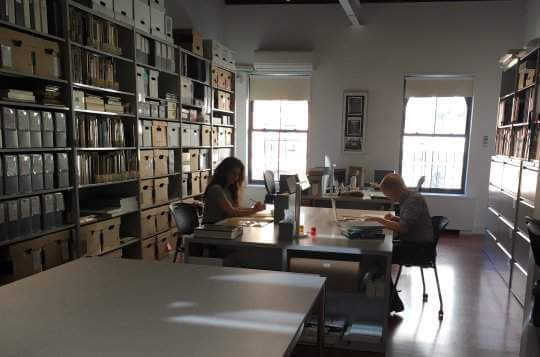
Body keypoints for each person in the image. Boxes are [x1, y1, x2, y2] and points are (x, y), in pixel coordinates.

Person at [365, 173, 434, 314]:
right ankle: (388, 299)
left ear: (396, 190)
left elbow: (403, 228)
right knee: (379, 251)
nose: (389, 198)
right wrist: (394, 218)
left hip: (419, 250)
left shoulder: (413, 201)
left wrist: (379, 220)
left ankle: (391, 302)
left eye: (388, 195)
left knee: (379, 256)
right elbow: (407, 221)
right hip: (414, 243)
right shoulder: (410, 199)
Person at [202, 157, 265, 223]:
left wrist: (254, 209)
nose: (236, 177)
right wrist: (255, 210)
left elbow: (235, 208)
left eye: (238, 174)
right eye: (233, 173)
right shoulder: (216, 189)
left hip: (222, 225)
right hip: (211, 229)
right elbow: (232, 212)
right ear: (224, 172)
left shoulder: (227, 188)